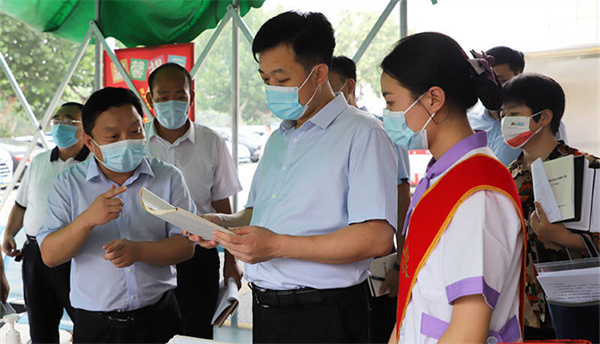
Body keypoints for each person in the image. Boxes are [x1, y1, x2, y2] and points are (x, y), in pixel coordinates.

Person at [187, 11, 398, 344]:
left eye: (281, 80)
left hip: (326, 314)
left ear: (318, 74)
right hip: (267, 309)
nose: (272, 89)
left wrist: (277, 246)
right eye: (265, 79)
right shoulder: (279, 139)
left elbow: (376, 238)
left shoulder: (363, 134)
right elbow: (256, 213)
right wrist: (221, 223)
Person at [381, 32, 526, 344]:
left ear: (434, 98)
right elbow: (415, 297)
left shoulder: (478, 193)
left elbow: (467, 331)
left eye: (391, 102)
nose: (387, 115)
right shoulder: (444, 175)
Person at [37, 87, 195, 343]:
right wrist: (87, 220)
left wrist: (139, 251)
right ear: (90, 142)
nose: (126, 141)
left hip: (159, 318)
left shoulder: (168, 177)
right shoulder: (68, 184)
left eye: (135, 131)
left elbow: (186, 246)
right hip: (96, 326)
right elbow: (50, 256)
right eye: (112, 136)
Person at [144, 62, 243, 339]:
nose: (172, 103)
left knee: (196, 331)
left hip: (200, 252)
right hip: (148, 253)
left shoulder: (211, 142)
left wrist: (231, 260)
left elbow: (223, 207)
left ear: (192, 96)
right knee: (153, 330)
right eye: (163, 97)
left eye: (180, 95)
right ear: (149, 98)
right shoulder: (137, 143)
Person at [501, 73, 600, 340]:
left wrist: (564, 239)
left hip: (579, 307)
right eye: (502, 114)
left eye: (514, 113)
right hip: (521, 312)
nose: (505, 122)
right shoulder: (505, 177)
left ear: (544, 117)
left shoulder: (588, 168)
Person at [329, 54, 411, 344]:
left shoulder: (377, 129)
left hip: (377, 263)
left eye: (330, 88)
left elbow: (402, 196)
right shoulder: (312, 134)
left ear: (349, 87)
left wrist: (400, 263)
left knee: (375, 331)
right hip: (332, 269)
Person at [2, 102, 87, 343]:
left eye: (69, 121)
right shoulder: (39, 161)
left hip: (77, 254)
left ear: (86, 127)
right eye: (57, 120)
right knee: (40, 322)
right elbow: (21, 204)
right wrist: (9, 233)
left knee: (85, 319)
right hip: (35, 254)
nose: (60, 125)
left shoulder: (94, 164)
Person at [467, 46, 568, 166]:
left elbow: (560, 162)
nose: (494, 89)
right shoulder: (469, 122)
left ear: (518, 78)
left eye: (501, 81)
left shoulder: (540, 122)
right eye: (487, 83)